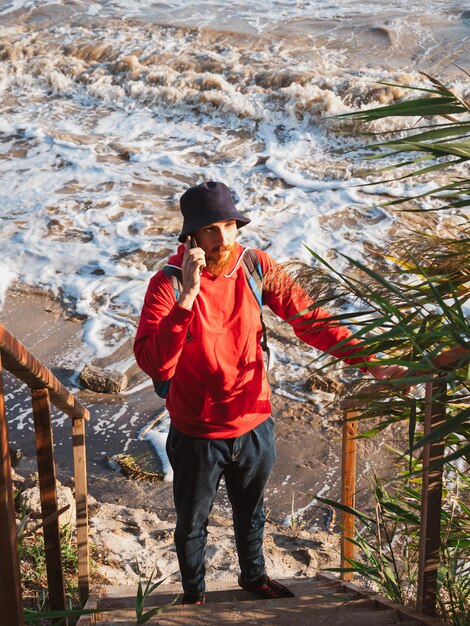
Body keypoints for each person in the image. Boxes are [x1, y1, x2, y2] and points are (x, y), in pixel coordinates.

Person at [134, 181, 404, 604]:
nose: (223, 238)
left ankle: (254, 578)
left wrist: (370, 361)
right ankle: (193, 595)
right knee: (191, 522)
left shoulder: (255, 266)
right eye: (210, 230)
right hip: (196, 431)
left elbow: (310, 319)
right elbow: (154, 363)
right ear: (191, 237)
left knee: (252, 514)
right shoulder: (167, 285)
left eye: (230, 225)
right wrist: (187, 298)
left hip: (254, 425)